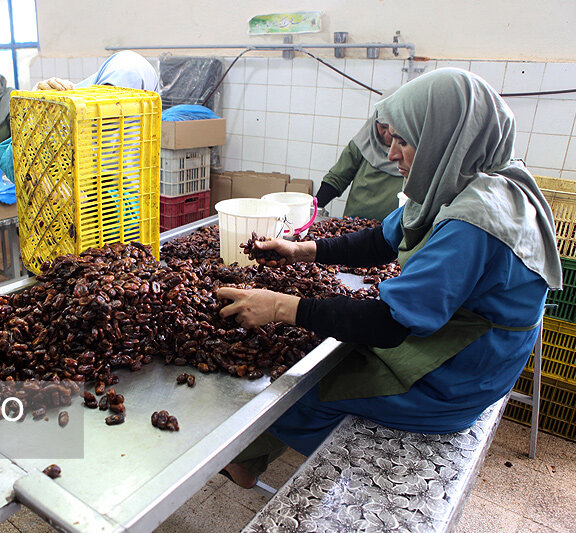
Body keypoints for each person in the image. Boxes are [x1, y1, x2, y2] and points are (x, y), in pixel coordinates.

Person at [216, 68, 562, 488]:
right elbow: (382, 238)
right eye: (390, 140)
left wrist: (279, 306)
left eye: (404, 140)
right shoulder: (458, 181)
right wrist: (303, 251)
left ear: (443, 136)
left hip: (460, 372)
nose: (392, 153)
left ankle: (275, 466)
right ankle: (249, 462)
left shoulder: (474, 222)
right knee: (312, 359)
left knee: (296, 395)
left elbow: (389, 322)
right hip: (456, 339)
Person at [0, 50, 160, 181]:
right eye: (107, 93)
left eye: (125, 102)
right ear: (99, 85)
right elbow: (15, 168)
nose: (113, 110)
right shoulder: (74, 108)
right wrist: (36, 113)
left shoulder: (144, 141)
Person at [314, 108, 403, 221]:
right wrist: (314, 209)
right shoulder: (364, 141)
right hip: (354, 223)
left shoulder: (415, 153)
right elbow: (337, 178)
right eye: (383, 127)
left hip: (391, 230)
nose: (388, 135)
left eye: (395, 131)